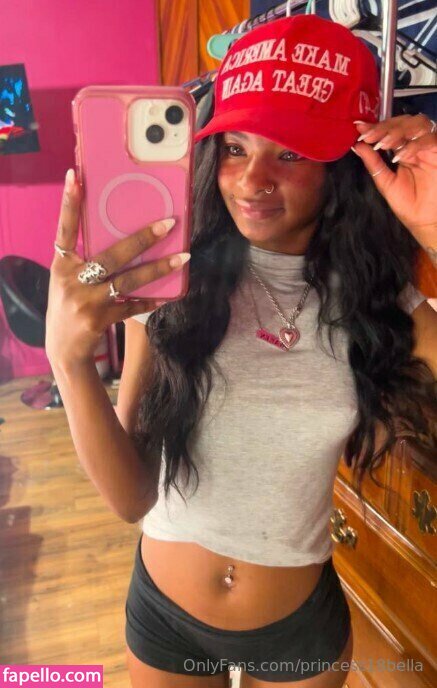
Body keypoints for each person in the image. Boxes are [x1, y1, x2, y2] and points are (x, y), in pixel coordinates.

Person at [46, 13, 437, 688]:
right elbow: (131, 497)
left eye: (289, 154)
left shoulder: (378, 299)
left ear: (342, 163)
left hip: (296, 628)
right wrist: (68, 360)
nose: (252, 180)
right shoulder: (168, 279)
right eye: (234, 147)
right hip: (164, 617)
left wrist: (433, 231)